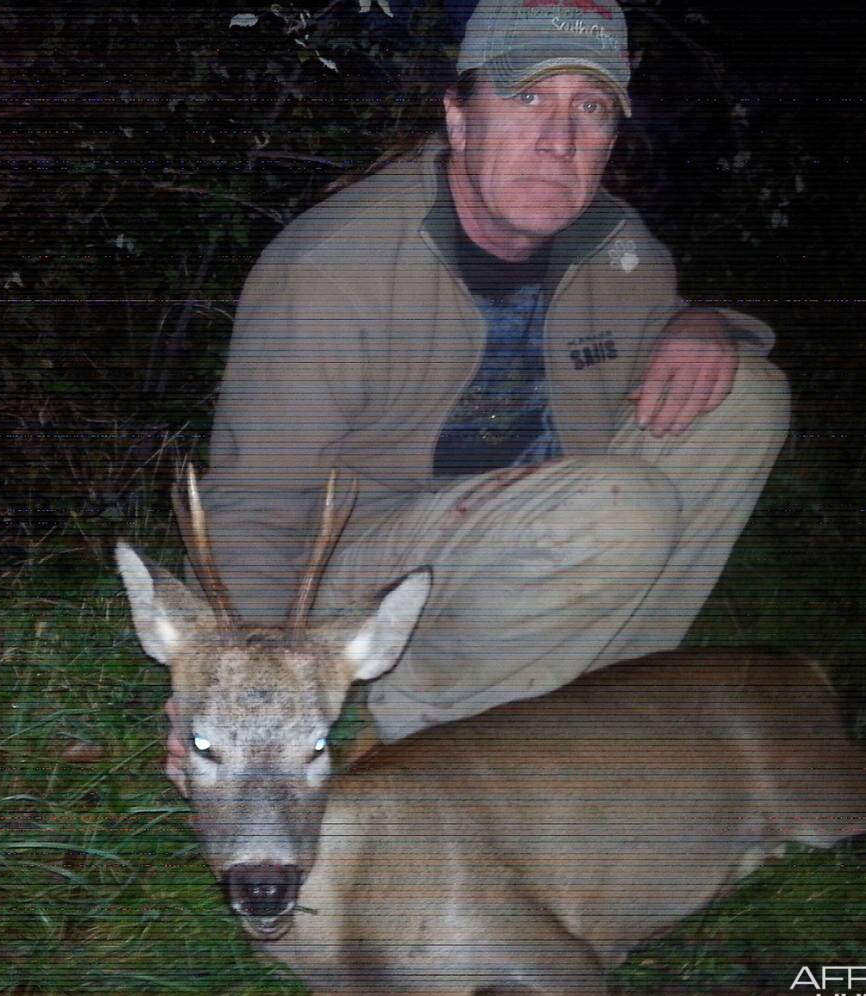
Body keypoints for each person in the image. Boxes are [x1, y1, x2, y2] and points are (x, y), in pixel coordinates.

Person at [165, 0, 790, 789]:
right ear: (458, 119)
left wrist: (703, 324)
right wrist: (240, 689)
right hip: (361, 568)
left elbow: (660, 332)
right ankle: (423, 743)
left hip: (534, 533)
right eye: (527, 99)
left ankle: (596, 704)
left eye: (589, 109)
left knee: (747, 397)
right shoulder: (331, 270)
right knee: (616, 505)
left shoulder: (616, 244)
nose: (558, 142)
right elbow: (254, 506)